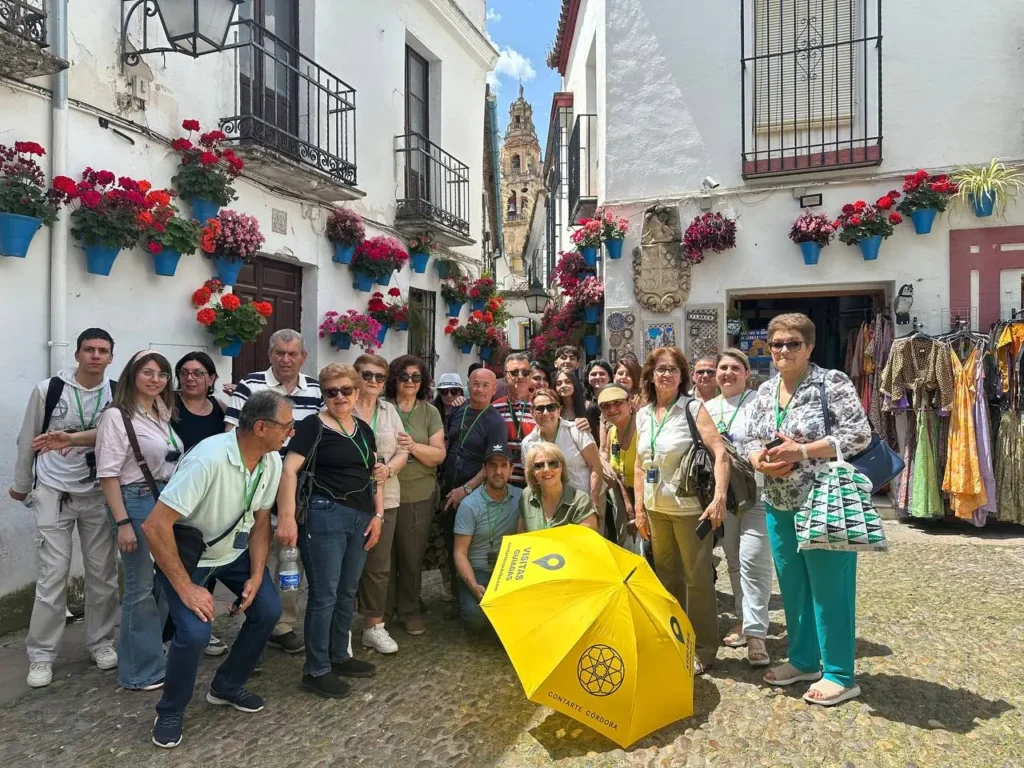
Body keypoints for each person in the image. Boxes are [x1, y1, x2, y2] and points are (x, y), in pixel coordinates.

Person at [141, 391, 290, 748]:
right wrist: (187, 587)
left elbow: (260, 521)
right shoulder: (208, 459)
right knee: (193, 634)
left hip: (232, 553)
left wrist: (256, 576)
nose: (291, 432)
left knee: (268, 609)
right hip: (187, 557)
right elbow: (154, 527)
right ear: (260, 427)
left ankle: (225, 686)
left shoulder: (271, 461)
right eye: (287, 426)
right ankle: (171, 709)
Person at [742, 313, 871, 706]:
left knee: (830, 589)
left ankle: (840, 674)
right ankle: (803, 660)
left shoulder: (831, 382)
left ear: (809, 347)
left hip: (824, 502)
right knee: (794, 587)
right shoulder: (764, 390)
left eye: (792, 343)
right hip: (779, 502)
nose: (782, 350)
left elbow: (858, 434)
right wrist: (758, 461)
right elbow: (748, 437)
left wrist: (800, 451)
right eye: (776, 343)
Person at [12, 328, 120, 689]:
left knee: (103, 575)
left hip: (97, 494)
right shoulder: (48, 390)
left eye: (102, 350)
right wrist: (22, 484)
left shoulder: (116, 393)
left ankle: (101, 641)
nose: (94, 355)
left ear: (110, 358)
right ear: (76, 354)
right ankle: (41, 655)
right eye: (88, 349)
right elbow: (27, 438)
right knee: (52, 577)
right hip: (54, 492)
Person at [276, 364, 383, 699]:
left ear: (356, 390)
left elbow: (373, 474)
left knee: (347, 590)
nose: (339, 397)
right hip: (325, 515)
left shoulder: (363, 430)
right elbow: (289, 470)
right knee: (324, 593)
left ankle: (340, 655)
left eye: (345, 390)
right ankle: (316, 669)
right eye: (331, 392)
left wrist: (378, 515)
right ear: (323, 394)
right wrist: (288, 517)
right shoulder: (312, 427)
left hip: (361, 517)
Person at [633, 346, 730, 675]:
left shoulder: (692, 408)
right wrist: (639, 508)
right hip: (655, 510)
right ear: (650, 374)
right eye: (660, 369)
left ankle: (704, 647)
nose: (666, 374)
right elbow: (638, 464)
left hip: (690, 510)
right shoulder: (643, 412)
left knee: (698, 580)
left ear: (682, 376)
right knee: (667, 578)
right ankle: (675, 638)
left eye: (672, 369)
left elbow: (721, 453)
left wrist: (718, 498)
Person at [226, 329, 323, 655]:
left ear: (302, 357)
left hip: (295, 485)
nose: (285, 359)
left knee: (288, 557)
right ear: (270, 354)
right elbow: (231, 434)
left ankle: (282, 624)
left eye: (292, 353)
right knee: (252, 556)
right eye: (279, 353)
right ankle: (250, 624)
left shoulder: (316, 390)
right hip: (254, 483)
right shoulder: (250, 385)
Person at [95, 350, 180, 691]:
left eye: (161, 374)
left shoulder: (160, 411)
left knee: (163, 582)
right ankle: (138, 671)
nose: (155, 379)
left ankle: (151, 652)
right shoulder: (116, 416)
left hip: (162, 500)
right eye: (148, 372)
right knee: (139, 587)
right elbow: (108, 474)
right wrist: (122, 523)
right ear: (132, 375)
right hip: (134, 500)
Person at [709, 349, 774, 668]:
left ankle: (757, 634)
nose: (728, 373)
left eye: (735, 368)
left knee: (754, 560)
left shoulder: (759, 402)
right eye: (722, 368)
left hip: (758, 491)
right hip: (726, 495)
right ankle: (743, 620)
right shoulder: (707, 408)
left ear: (747, 374)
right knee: (734, 559)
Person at [169, 351, 229, 656]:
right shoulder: (167, 407)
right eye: (184, 372)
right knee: (177, 564)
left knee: (208, 564)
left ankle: (201, 624)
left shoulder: (220, 409)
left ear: (211, 379)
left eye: (198, 373)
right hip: (174, 495)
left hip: (210, 497)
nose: (190, 378)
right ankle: (171, 633)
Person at [385, 356, 446, 640]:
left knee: (411, 556)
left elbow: (438, 455)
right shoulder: (382, 408)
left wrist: (412, 446)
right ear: (394, 378)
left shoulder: (429, 412)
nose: (410, 382)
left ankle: (409, 609)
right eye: (404, 376)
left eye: (416, 377)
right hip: (383, 493)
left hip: (418, 493)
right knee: (383, 557)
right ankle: (381, 612)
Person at [352, 354, 408, 654]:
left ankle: (373, 626)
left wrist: (390, 469)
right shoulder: (341, 405)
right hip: (347, 499)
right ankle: (339, 628)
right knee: (344, 565)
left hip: (386, 497)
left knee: (378, 565)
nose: (373, 381)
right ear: (355, 375)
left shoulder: (389, 411)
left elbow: (403, 449)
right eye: (367, 375)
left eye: (379, 377)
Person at [440, 368, 508, 600]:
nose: (479, 389)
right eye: (475, 384)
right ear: (468, 385)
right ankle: (456, 595)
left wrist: (466, 489)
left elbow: (493, 463)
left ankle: (472, 594)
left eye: (484, 385)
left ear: (494, 389)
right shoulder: (458, 409)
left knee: (468, 545)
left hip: (473, 494)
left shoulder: (496, 421)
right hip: (449, 489)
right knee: (451, 542)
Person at [452, 443, 522, 633]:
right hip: (478, 572)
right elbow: (459, 553)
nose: (498, 471)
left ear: (511, 469)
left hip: (509, 572)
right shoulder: (469, 505)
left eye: (503, 465)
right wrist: (473, 586)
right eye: (492, 465)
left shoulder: (521, 498)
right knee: (475, 619)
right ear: (484, 470)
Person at [520, 389, 602, 510]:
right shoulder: (528, 443)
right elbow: (531, 479)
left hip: (583, 503)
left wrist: (593, 502)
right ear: (532, 413)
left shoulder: (577, 431)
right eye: (540, 408)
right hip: (550, 508)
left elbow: (596, 466)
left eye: (551, 407)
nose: (546, 412)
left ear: (559, 410)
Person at [596, 384, 642, 551]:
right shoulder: (612, 432)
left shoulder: (643, 429)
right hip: (625, 498)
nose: (612, 409)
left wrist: (637, 508)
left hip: (649, 499)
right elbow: (616, 473)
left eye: (617, 402)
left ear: (629, 403)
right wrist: (628, 506)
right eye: (605, 406)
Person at [519, 442, 599, 532]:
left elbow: (586, 541)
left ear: (562, 467)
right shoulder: (526, 496)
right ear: (532, 472)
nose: (546, 469)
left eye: (553, 464)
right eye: (539, 465)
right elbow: (522, 534)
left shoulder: (581, 502)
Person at [490, 353, 537, 488]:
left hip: (535, 482)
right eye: (515, 372)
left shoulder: (541, 406)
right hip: (505, 483)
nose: (520, 376)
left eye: (525, 372)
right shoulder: (495, 408)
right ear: (506, 375)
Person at [554, 368, 600, 437]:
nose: (563, 386)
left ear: (574, 384)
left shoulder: (591, 408)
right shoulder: (554, 411)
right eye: (559, 383)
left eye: (567, 382)